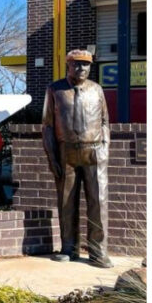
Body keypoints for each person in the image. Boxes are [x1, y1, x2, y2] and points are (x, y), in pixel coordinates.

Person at [41, 49, 113, 268]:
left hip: (94, 152)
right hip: (67, 153)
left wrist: (104, 148)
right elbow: (47, 126)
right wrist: (52, 157)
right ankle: (69, 248)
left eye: (85, 64)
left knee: (98, 202)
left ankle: (98, 252)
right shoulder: (55, 89)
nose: (81, 68)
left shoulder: (97, 89)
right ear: (68, 65)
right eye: (76, 64)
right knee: (66, 202)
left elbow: (104, 122)